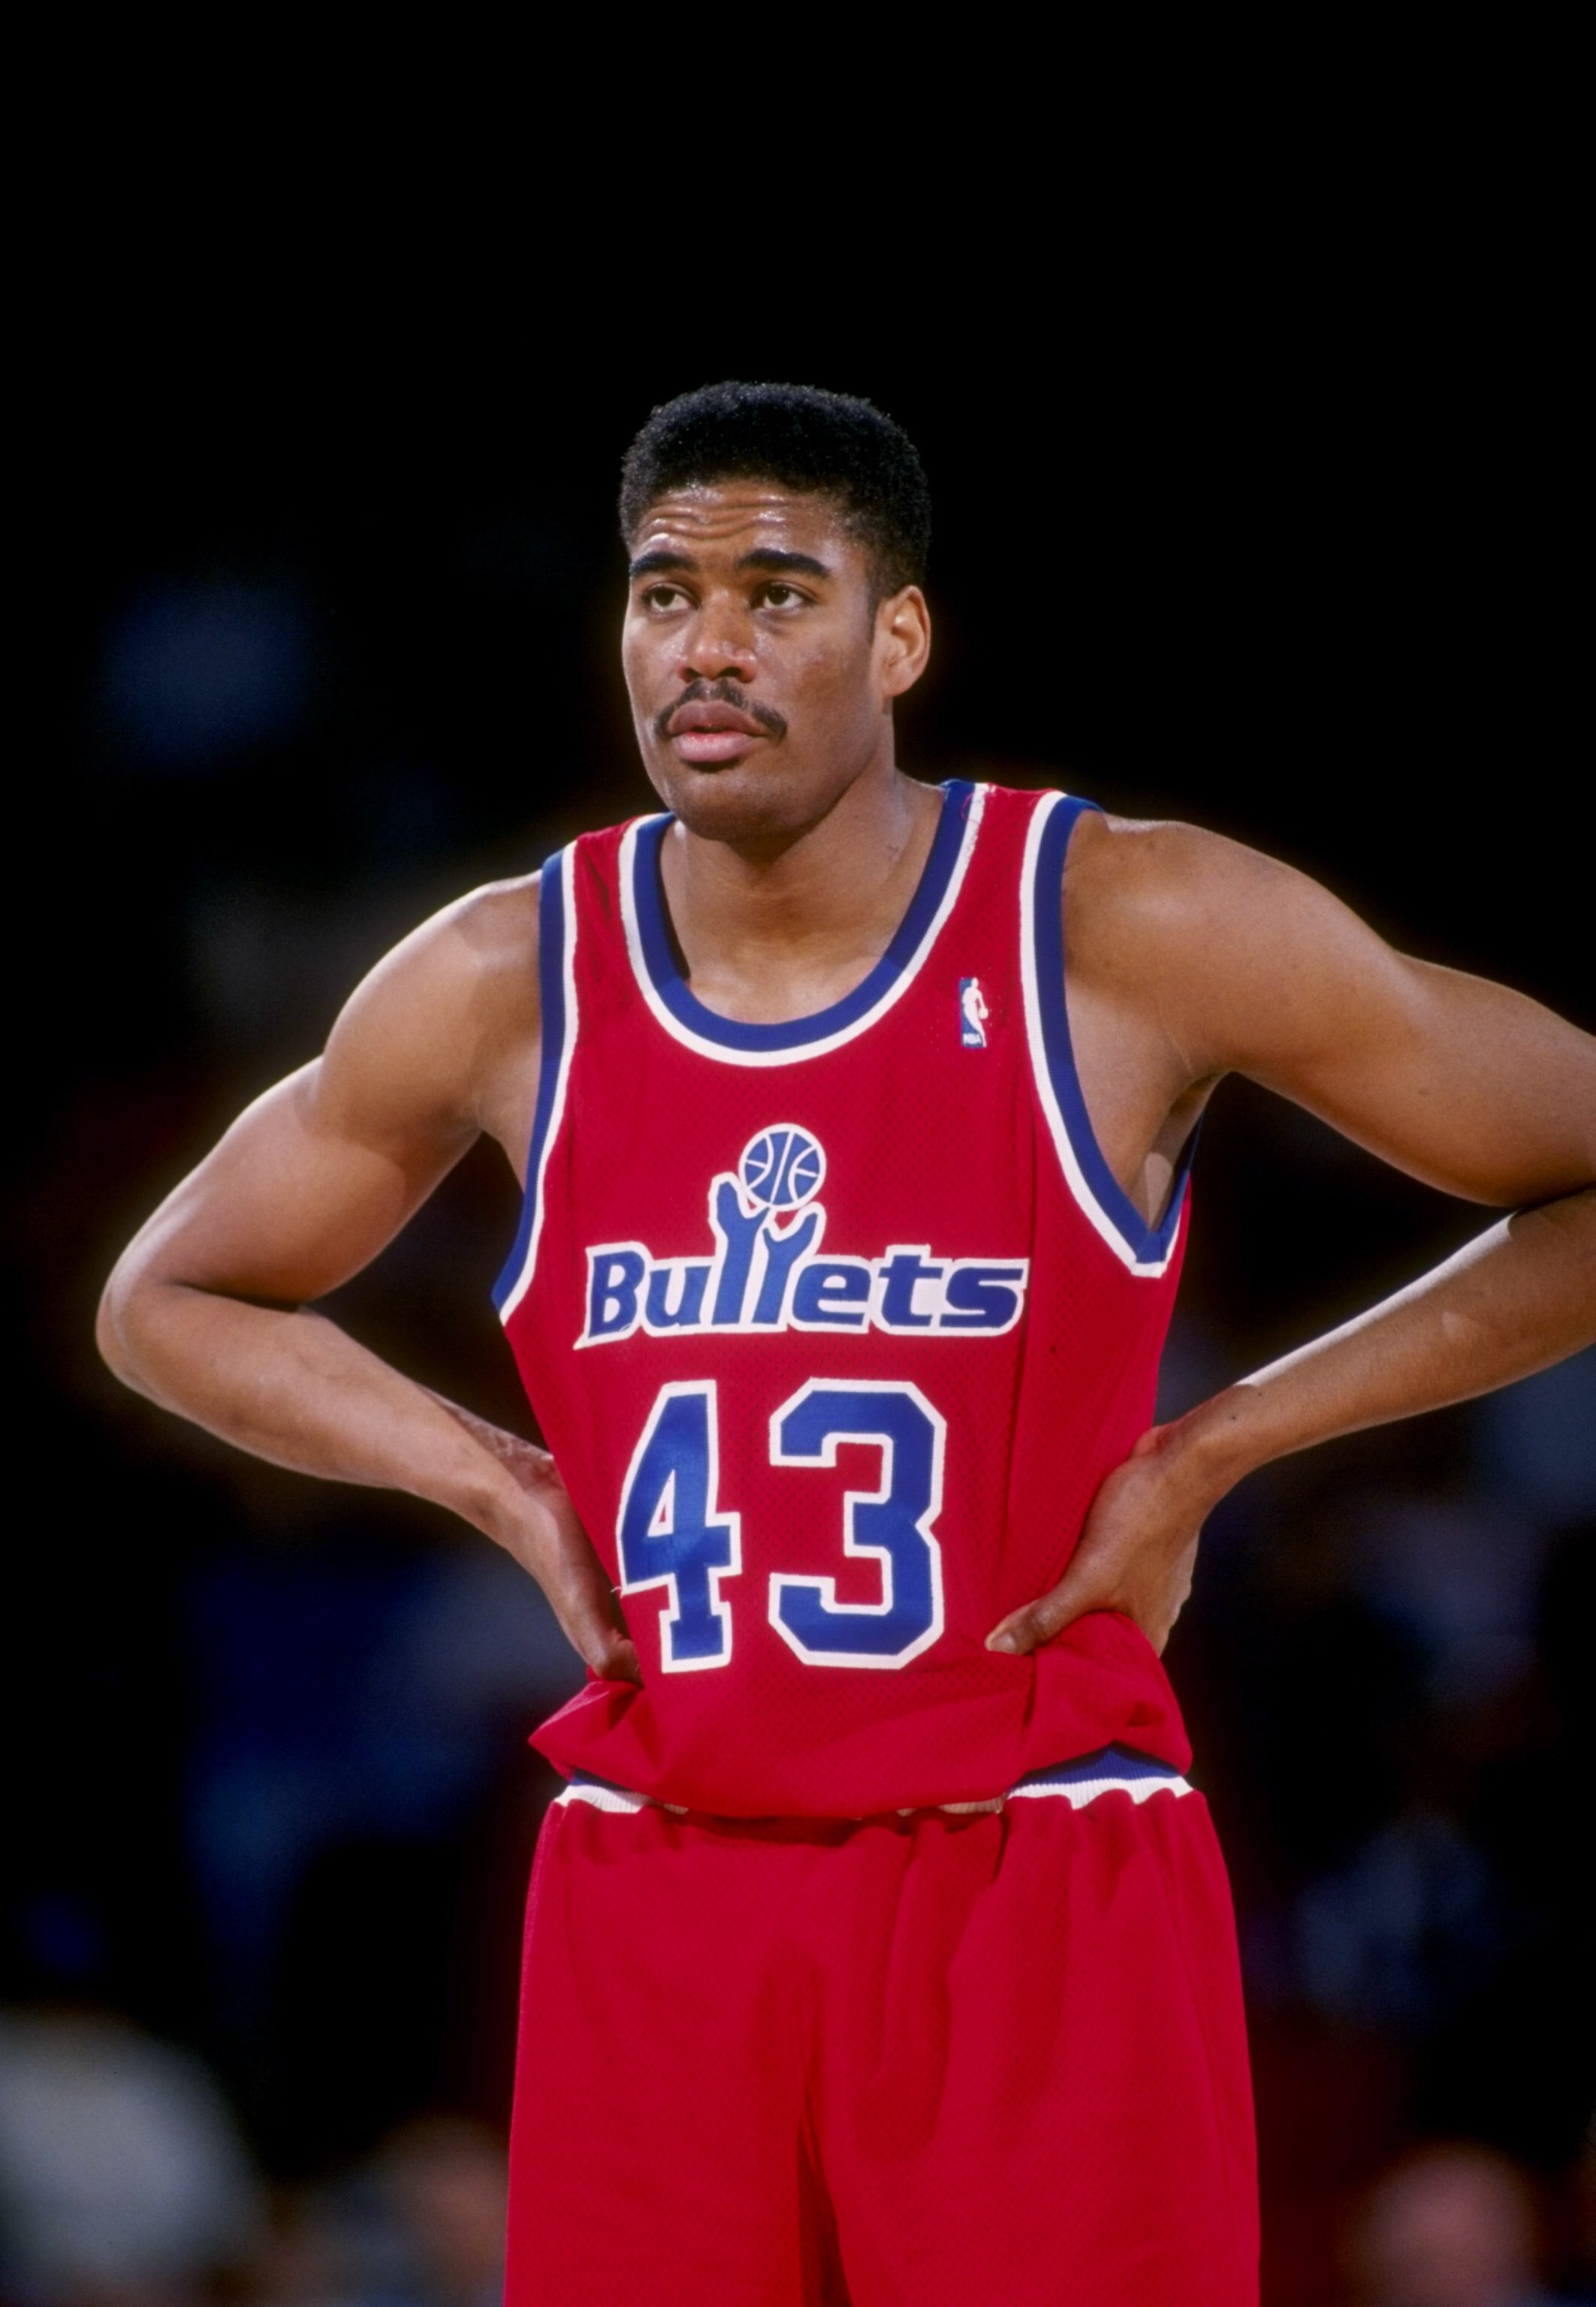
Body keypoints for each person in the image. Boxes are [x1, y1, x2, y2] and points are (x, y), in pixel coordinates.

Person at [97, 383, 1596, 2305]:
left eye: (776, 592)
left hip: (1026, 1862)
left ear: (900, 636)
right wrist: (498, 1482)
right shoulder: (504, 973)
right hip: (659, 1876)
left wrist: (1213, 1448)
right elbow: (167, 1300)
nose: (706, 645)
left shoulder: (1121, 920)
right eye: (664, 592)